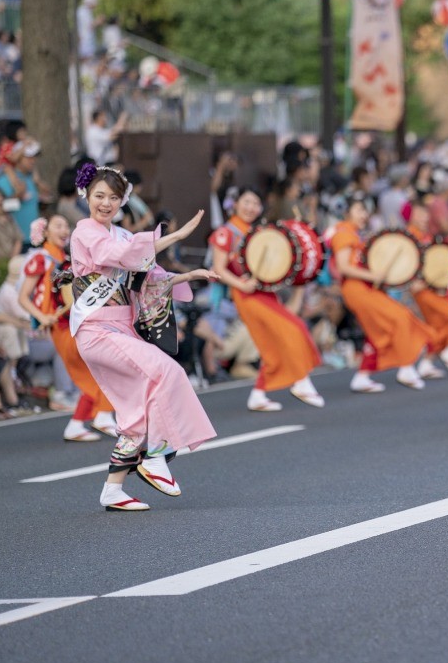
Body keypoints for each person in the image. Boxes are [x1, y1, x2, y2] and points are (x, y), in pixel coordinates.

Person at [69, 162, 218, 511]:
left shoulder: (119, 235)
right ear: (86, 196)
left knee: (136, 412)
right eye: (99, 196)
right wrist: (174, 237)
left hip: (120, 328)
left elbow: (148, 277)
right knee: (167, 372)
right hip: (96, 329)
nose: (105, 203)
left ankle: (113, 490)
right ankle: (156, 455)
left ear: (123, 202)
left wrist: (190, 274)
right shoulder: (85, 233)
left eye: (113, 198)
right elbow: (119, 257)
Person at [208, 189, 326, 411]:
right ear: (236, 204)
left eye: (255, 203)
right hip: (245, 294)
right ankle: (301, 381)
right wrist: (242, 284)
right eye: (247, 202)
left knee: (270, 344)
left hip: (264, 292)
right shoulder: (226, 232)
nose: (251, 207)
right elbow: (219, 268)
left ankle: (258, 394)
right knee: (293, 327)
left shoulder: (259, 230)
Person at [18, 215, 117, 441]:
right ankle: (100, 416)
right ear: (45, 232)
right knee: (95, 370)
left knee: (96, 371)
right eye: (58, 226)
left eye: (66, 226)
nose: (65, 230)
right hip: (61, 327)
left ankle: (82, 422)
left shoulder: (65, 258)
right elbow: (23, 297)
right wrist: (42, 316)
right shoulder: (41, 259)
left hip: (73, 322)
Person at [327, 192, 434, 392]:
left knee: (378, 333)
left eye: (365, 210)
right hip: (356, 289)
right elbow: (343, 268)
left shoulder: (355, 234)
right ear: (347, 213)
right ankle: (406, 366)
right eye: (359, 210)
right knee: (400, 318)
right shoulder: (344, 234)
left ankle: (362, 376)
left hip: (365, 287)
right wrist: (374, 276)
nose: (363, 215)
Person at [405, 196, 448, 377]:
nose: (424, 218)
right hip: (421, 290)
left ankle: (426, 363)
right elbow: (404, 266)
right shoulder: (408, 237)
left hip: (431, 287)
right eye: (419, 214)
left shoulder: (426, 236)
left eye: (426, 214)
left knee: (439, 327)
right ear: (411, 216)